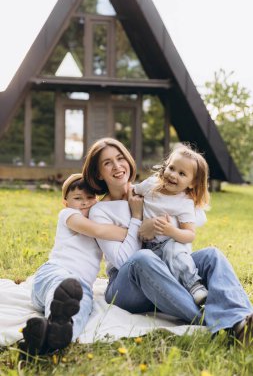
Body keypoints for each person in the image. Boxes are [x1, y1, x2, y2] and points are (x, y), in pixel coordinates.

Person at [83, 137, 253, 346]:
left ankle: (241, 322)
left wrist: (159, 224)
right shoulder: (100, 211)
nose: (117, 166)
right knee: (143, 258)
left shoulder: (150, 189)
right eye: (107, 163)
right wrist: (138, 221)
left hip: (163, 267)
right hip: (125, 285)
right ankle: (213, 323)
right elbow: (124, 260)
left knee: (212, 255)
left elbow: (196, 216)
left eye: (120, 158)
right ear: (99, 173)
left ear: (128, 160)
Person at [20, 173, 140, 356]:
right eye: (78, 198)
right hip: (54, 273)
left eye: (90, 197)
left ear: (97, 199)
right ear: (65, 202)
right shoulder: (69, 215)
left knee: (82, 308)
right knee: (63, 287)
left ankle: (53, 337)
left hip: (79, 287)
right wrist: (135, 229)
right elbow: (99, 230)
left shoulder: (100, 217)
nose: (84, 202)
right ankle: (55, 318)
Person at [133, 143, 209, 305]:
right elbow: (132, 190)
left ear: (192, 183)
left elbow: (190, 235)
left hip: (169, 246)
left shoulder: (184, 202)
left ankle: (194, 285)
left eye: (182, 174)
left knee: (174, 248)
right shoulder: (150, 185)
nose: (173, 175)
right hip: (145, 248)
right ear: (165, 167)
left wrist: (171, 231)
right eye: (172, 168)